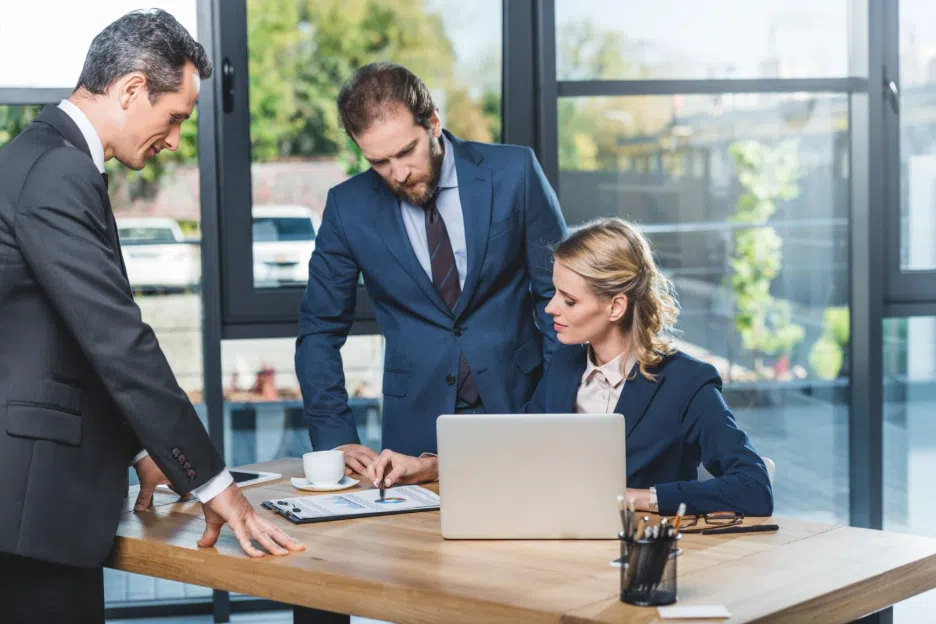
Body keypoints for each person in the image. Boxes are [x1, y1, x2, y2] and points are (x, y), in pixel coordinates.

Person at [0, 10, 302, 623]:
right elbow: (117, 340)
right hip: (30, 508)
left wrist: (140, 449)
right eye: (176, 118)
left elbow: (64, 339)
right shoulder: (57, 171)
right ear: (133, 88)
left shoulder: (41, 158)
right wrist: (217, 486)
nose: (173, 140)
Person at [296, 62, 566, 485]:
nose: (399, 174)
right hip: (414, 430)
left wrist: (556, 406)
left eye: (407, 152)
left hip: (523, 405)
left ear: (434, 122)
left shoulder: (515, 173)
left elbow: (559, 297)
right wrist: (336, 437)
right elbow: (319, 330)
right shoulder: (348, 208)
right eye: (379, 162)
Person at [521, 218, 773, 517]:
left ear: (616, 307)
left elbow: (753, 488)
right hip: (558, 539)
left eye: (570, 300)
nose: (551, 308)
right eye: (554, 293)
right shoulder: (564, 365)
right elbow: (524, 454)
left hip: (644, 550)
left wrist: (636, 498)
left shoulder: (687, 382)